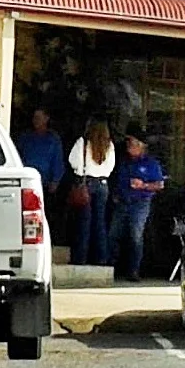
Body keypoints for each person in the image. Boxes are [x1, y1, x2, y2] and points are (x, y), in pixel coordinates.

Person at [108, 123, 165, 282]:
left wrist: (143, 185)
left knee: (135, 236)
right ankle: (109, 266)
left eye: (132, 143)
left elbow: (160, 184)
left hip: (140, 203)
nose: (128, 145)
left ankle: (133, 270)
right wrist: (115, 194)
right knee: (113, 234)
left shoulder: (151, 163)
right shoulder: (123, 161)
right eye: (128, 142)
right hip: (122, 202)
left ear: (141, 146)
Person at [68, 117, 115, 266]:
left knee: (84, 222)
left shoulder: (82, 143)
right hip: (103, 184)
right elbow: (111, 167)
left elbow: (72, 161)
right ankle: (101, 258)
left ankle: (80, 258)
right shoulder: (109, 146)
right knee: (100, 222)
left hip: (86, 184)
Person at [16, 108, 65, 226]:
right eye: (34, 118)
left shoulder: (53, 139)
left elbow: (58, 160)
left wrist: (55, 180)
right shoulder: (26, 137)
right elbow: (18, 155)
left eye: (39, 118)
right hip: (26, 181)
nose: (36, 121)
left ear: (46, 119)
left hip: (45, 182)